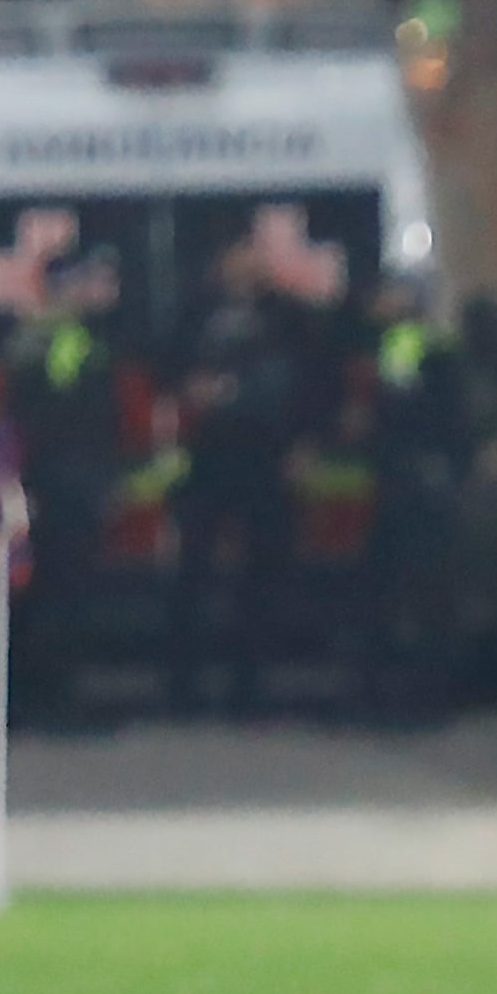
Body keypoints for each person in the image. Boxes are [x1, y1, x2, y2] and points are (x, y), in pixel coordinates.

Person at [169, 238, 310, 716]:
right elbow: (168, 364)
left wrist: (302, 439)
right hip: (209, 457)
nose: (243, 265)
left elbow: (311, 378)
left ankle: (249, 687)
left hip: (265, 456)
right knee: (193, 574)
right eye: (235, 256)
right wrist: (190, 386)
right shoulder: (196, 314)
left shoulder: (287, 316)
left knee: (262, 577)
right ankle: (184, 687)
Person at [1, 252, 124, 723]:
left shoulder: (41, 338)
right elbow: (70, 417)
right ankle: (53, 698)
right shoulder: (65, 341)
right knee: (63, 591)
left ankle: (41, 694)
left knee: (51, 589)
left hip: (57, 479)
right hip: (66, 482)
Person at [353, 278, 475, 721]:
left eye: (386, 294)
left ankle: (411, 695)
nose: (376, 301)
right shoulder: (422, 343)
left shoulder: (407, 343)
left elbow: (402, 409)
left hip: (412, 485)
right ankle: (420, 693)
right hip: (420, 482)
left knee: (408, 592)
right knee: (417, 593)